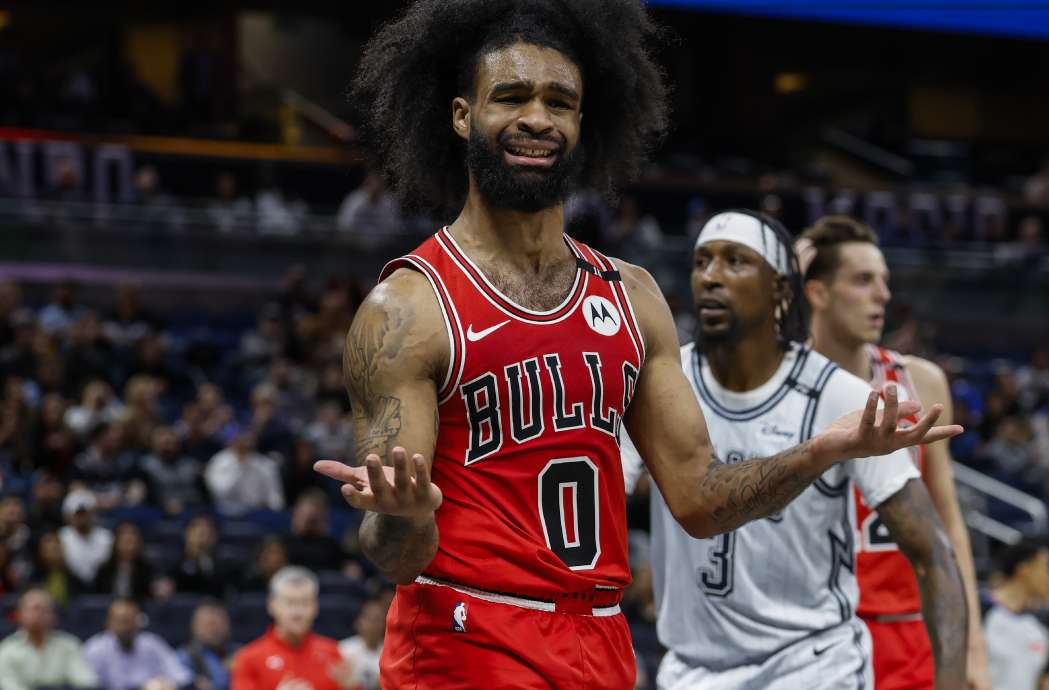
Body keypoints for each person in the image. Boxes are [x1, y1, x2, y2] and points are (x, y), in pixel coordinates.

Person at [312, 2, 960, 688]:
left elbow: (701, 500)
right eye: (512, 97)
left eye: (559, 101)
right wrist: (406, 519)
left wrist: (821, 450)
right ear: (462, 116)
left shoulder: (632, 297)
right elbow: (397, 554)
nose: (538, 117)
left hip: (599, 642)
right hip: (466, 639)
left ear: (582, 124)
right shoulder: (409, 308)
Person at [621, 210, 968, 689]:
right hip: (691, 670)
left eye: (735, 261)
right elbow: (598, 503)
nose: (711, 277)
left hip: (814, 666)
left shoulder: (839, 395)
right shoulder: (659, 384)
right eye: (702, 262)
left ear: (781, 289)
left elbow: (934, 552)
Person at [795, 215, 990, 690]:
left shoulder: (921, 381)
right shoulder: (782, 387)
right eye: (864, 281)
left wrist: (973, 648)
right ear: (817, 292)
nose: (883, 294)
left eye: (884, 280)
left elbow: (949, 527)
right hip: (814, 634)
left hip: (910, 631)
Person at [231, 566, 351, 690]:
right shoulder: (248, 659)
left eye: (305, 602)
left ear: (315, 606)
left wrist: (351, 687)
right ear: (271, 605)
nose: (297, 612)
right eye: (289, 602)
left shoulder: (332, 653)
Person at [984, 538, 1049, 690]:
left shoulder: (1041, 629)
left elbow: (1047, 683)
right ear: (1024, 569)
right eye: (1047, 568)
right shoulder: (979, 609)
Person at [84, 598, 192, 690]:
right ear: (108, 623)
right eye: (120, 621)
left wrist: (165, 684)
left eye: (129, 620)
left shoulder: (153, 643)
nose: (125, 627)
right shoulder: (95, 648)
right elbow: (87, 685)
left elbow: (180, 676)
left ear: (139, 622)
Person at [0, 588, 98, 690]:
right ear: (19, 614)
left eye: (45, 610)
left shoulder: (69, 645)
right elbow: (9, 686)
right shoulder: (6, 649)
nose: (39, 614)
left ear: (53, 616)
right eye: (34, 609)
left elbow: (87, 683)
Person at [58, 487, 113, 586]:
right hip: (70, 586)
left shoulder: (107, 537)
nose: (82, 518)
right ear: (69, 516)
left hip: (102, 585)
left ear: (93, 513)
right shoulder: (61, 537)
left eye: (85, 513)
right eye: (78, 514)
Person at [178, 601, 236, 690]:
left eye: (220, 623)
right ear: (195, 627)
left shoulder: (241, 653)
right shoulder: (184, 657)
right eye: (209, 623)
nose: (214, 630)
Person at [339, 598, 387, 690]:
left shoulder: (391, 653)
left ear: (385, 623)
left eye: (378, 619)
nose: (373, 624)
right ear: (358, 621)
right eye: (369, 618)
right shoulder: (343, 648)